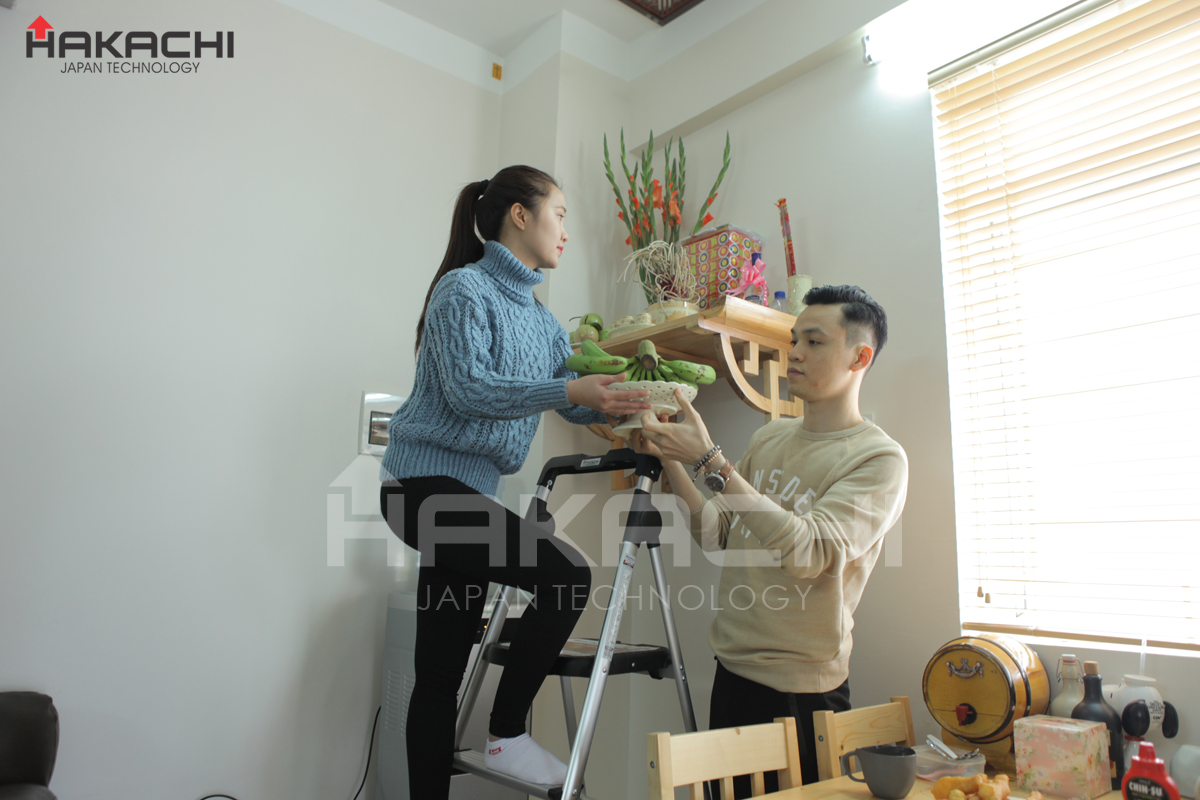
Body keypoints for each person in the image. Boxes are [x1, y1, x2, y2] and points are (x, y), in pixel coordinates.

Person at [378, 166, 652, 799]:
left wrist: (626, 408)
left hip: (467, 496)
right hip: (420, 488)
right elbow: (470, 389)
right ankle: (506, 733)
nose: (566, 232)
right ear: (520, 216)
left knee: (439, 675)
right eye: (560, 214)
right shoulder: (463, 290)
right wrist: (569, 391)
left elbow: (572, 402)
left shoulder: (544, 321)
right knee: (567, 576)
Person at [632, 284, 908, 795]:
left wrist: (712, 461)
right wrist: (671, 458)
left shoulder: (878, 459)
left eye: (814, 342)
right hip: (732, 674)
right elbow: (717, 534)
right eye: (794, 339)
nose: (795, 352)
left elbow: (810, 553)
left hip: (803, 694)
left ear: (860, 357)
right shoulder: (770, 437)